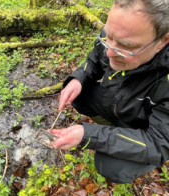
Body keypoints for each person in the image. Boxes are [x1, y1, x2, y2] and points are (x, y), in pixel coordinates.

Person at [51, 0, 169, 183]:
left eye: (126, 46)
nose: (109, 53)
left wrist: (91, 135)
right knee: (79, 94)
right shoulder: (117, 34)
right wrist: (78, 79)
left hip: (150, 130)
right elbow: (96, 58)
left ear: (163, 41)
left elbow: (158, 144)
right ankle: (117, 132)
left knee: (110, 166)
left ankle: (125, 143)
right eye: (108, 36)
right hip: (121, 106)